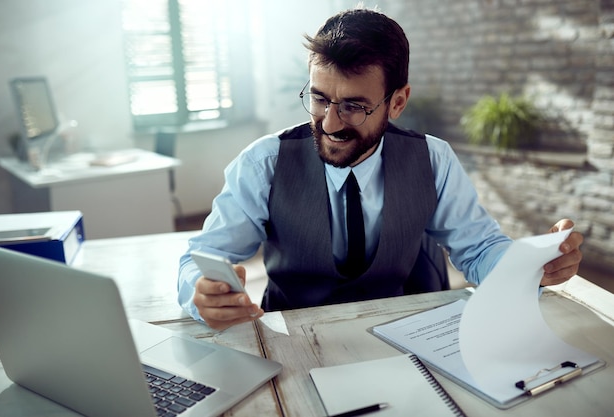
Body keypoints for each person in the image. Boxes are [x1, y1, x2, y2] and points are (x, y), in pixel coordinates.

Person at [177, 8, 583, 330]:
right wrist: (201, 293)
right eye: (320, 99)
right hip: (294, 333)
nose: (331, 123)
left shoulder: (433, 159)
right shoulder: (264, 162)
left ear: (398, 102)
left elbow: (478, 249)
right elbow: (204, 256)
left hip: (409, 332)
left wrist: (531, 266)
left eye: (354, 106)